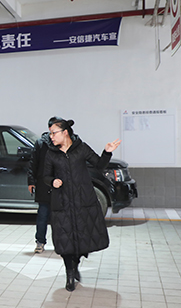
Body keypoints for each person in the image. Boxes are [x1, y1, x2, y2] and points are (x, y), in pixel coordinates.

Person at [43, 118, 120, 291]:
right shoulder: (51, 153)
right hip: (62, 203)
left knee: (82, 237)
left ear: (65, 132)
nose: (51, 137)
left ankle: (76, 262)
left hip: (83, 202)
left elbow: (99, 165)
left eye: (54, 133)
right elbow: (45, 176)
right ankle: (69, 274)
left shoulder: (81, 148)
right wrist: (52, 181)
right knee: (65, 240)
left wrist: (107, 152)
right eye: (50, 133)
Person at [27, 116, 62, 254]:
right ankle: (40, 242)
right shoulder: (41, 143)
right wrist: (31, 181)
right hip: (43, 185)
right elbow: (33, 163)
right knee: (42, 216)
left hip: (59, 186)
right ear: (50, 128)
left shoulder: (63, 142)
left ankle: (60, 244)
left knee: (59, 218)